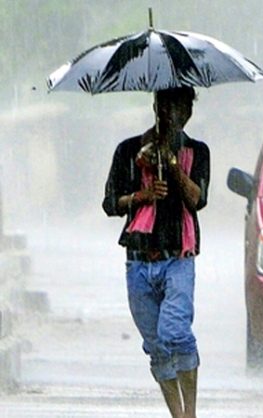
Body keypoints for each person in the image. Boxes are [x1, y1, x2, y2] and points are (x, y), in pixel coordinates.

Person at [102, 86, 210, 418]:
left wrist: (173, 164)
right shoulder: (128, 151)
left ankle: (190, 413)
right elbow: (110, 203)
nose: (176, 115)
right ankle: (177, 415)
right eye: (169, 107)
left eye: (183, 108)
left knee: (175, 332)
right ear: (157, 107)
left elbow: (197, 199)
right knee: (157, 347)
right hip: (138, 260)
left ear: (189, 111)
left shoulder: (197, 151)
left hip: (178, 256)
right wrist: (142, 195)